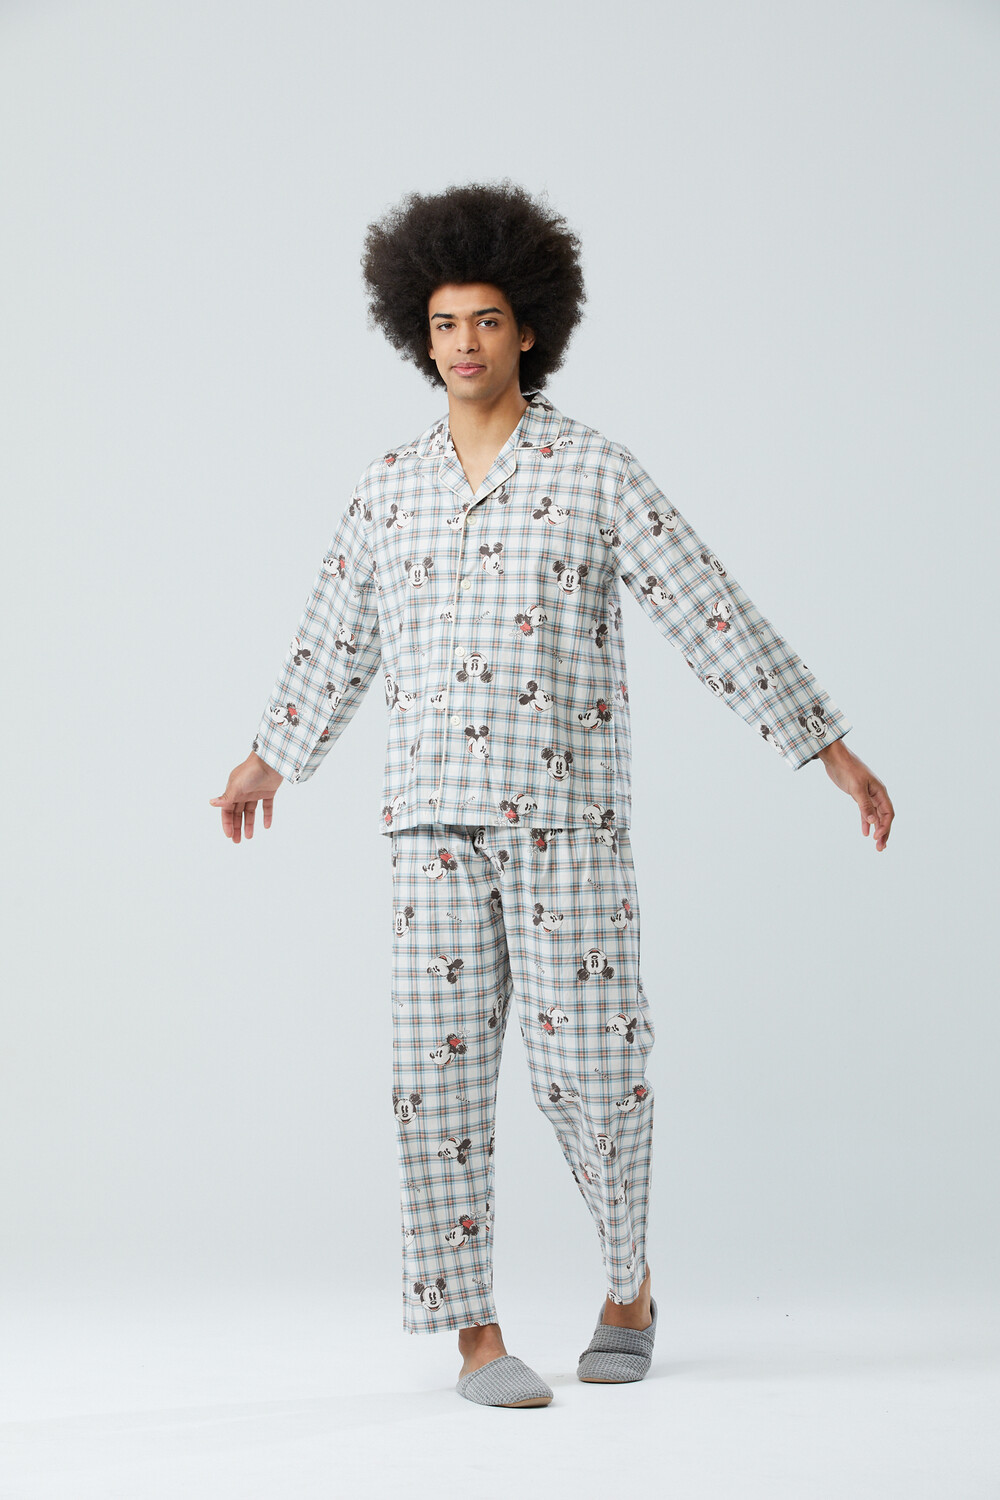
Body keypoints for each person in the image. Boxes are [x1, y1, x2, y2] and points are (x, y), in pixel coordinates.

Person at [210, 180, 894, 1409]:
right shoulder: (387, 486)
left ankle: (628, 1287)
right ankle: (475, 1335)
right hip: (429, 824)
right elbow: (336, 638)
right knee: (434, 1083)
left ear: (528, 327)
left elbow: (708, 608)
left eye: (484, 320)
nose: (463, 343)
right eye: (442, 324)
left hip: (565, 823)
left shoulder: (594, 474)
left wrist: (825, 746)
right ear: (417, 336)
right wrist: (271, 753)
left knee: (593, 1070)